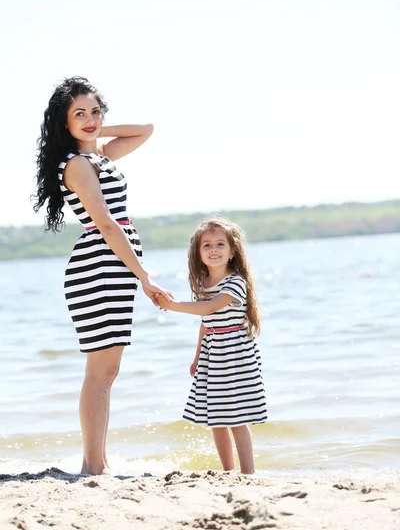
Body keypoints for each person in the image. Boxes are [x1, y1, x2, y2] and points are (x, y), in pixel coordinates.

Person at [33, 76, 172, 475]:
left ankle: (98, 460)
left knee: (108, 371)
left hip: (111, 265)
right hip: (99, 265)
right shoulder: (76, 165)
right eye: (79, 114)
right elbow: (107, 224)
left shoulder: (98, 155)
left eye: (96, 111)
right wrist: (145, 275)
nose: (91, 119)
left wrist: (92, 131)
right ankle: (94, 465)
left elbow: (146, 129)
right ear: (63, 122)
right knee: (100, 371)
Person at [157, 217, 267, 474]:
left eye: (220, 244)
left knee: (237, 418)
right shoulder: (202, 282)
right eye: (207, 245)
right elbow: (206, 322)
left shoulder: (236, 281)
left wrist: (172, 306)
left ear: (232, 252)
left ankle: (248, 472)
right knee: (217, 419)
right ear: (198, 252)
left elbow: (209, 307)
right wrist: (197, 357)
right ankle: (228, 471)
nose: (214, 249)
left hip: (235, 354)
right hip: (213, 354)